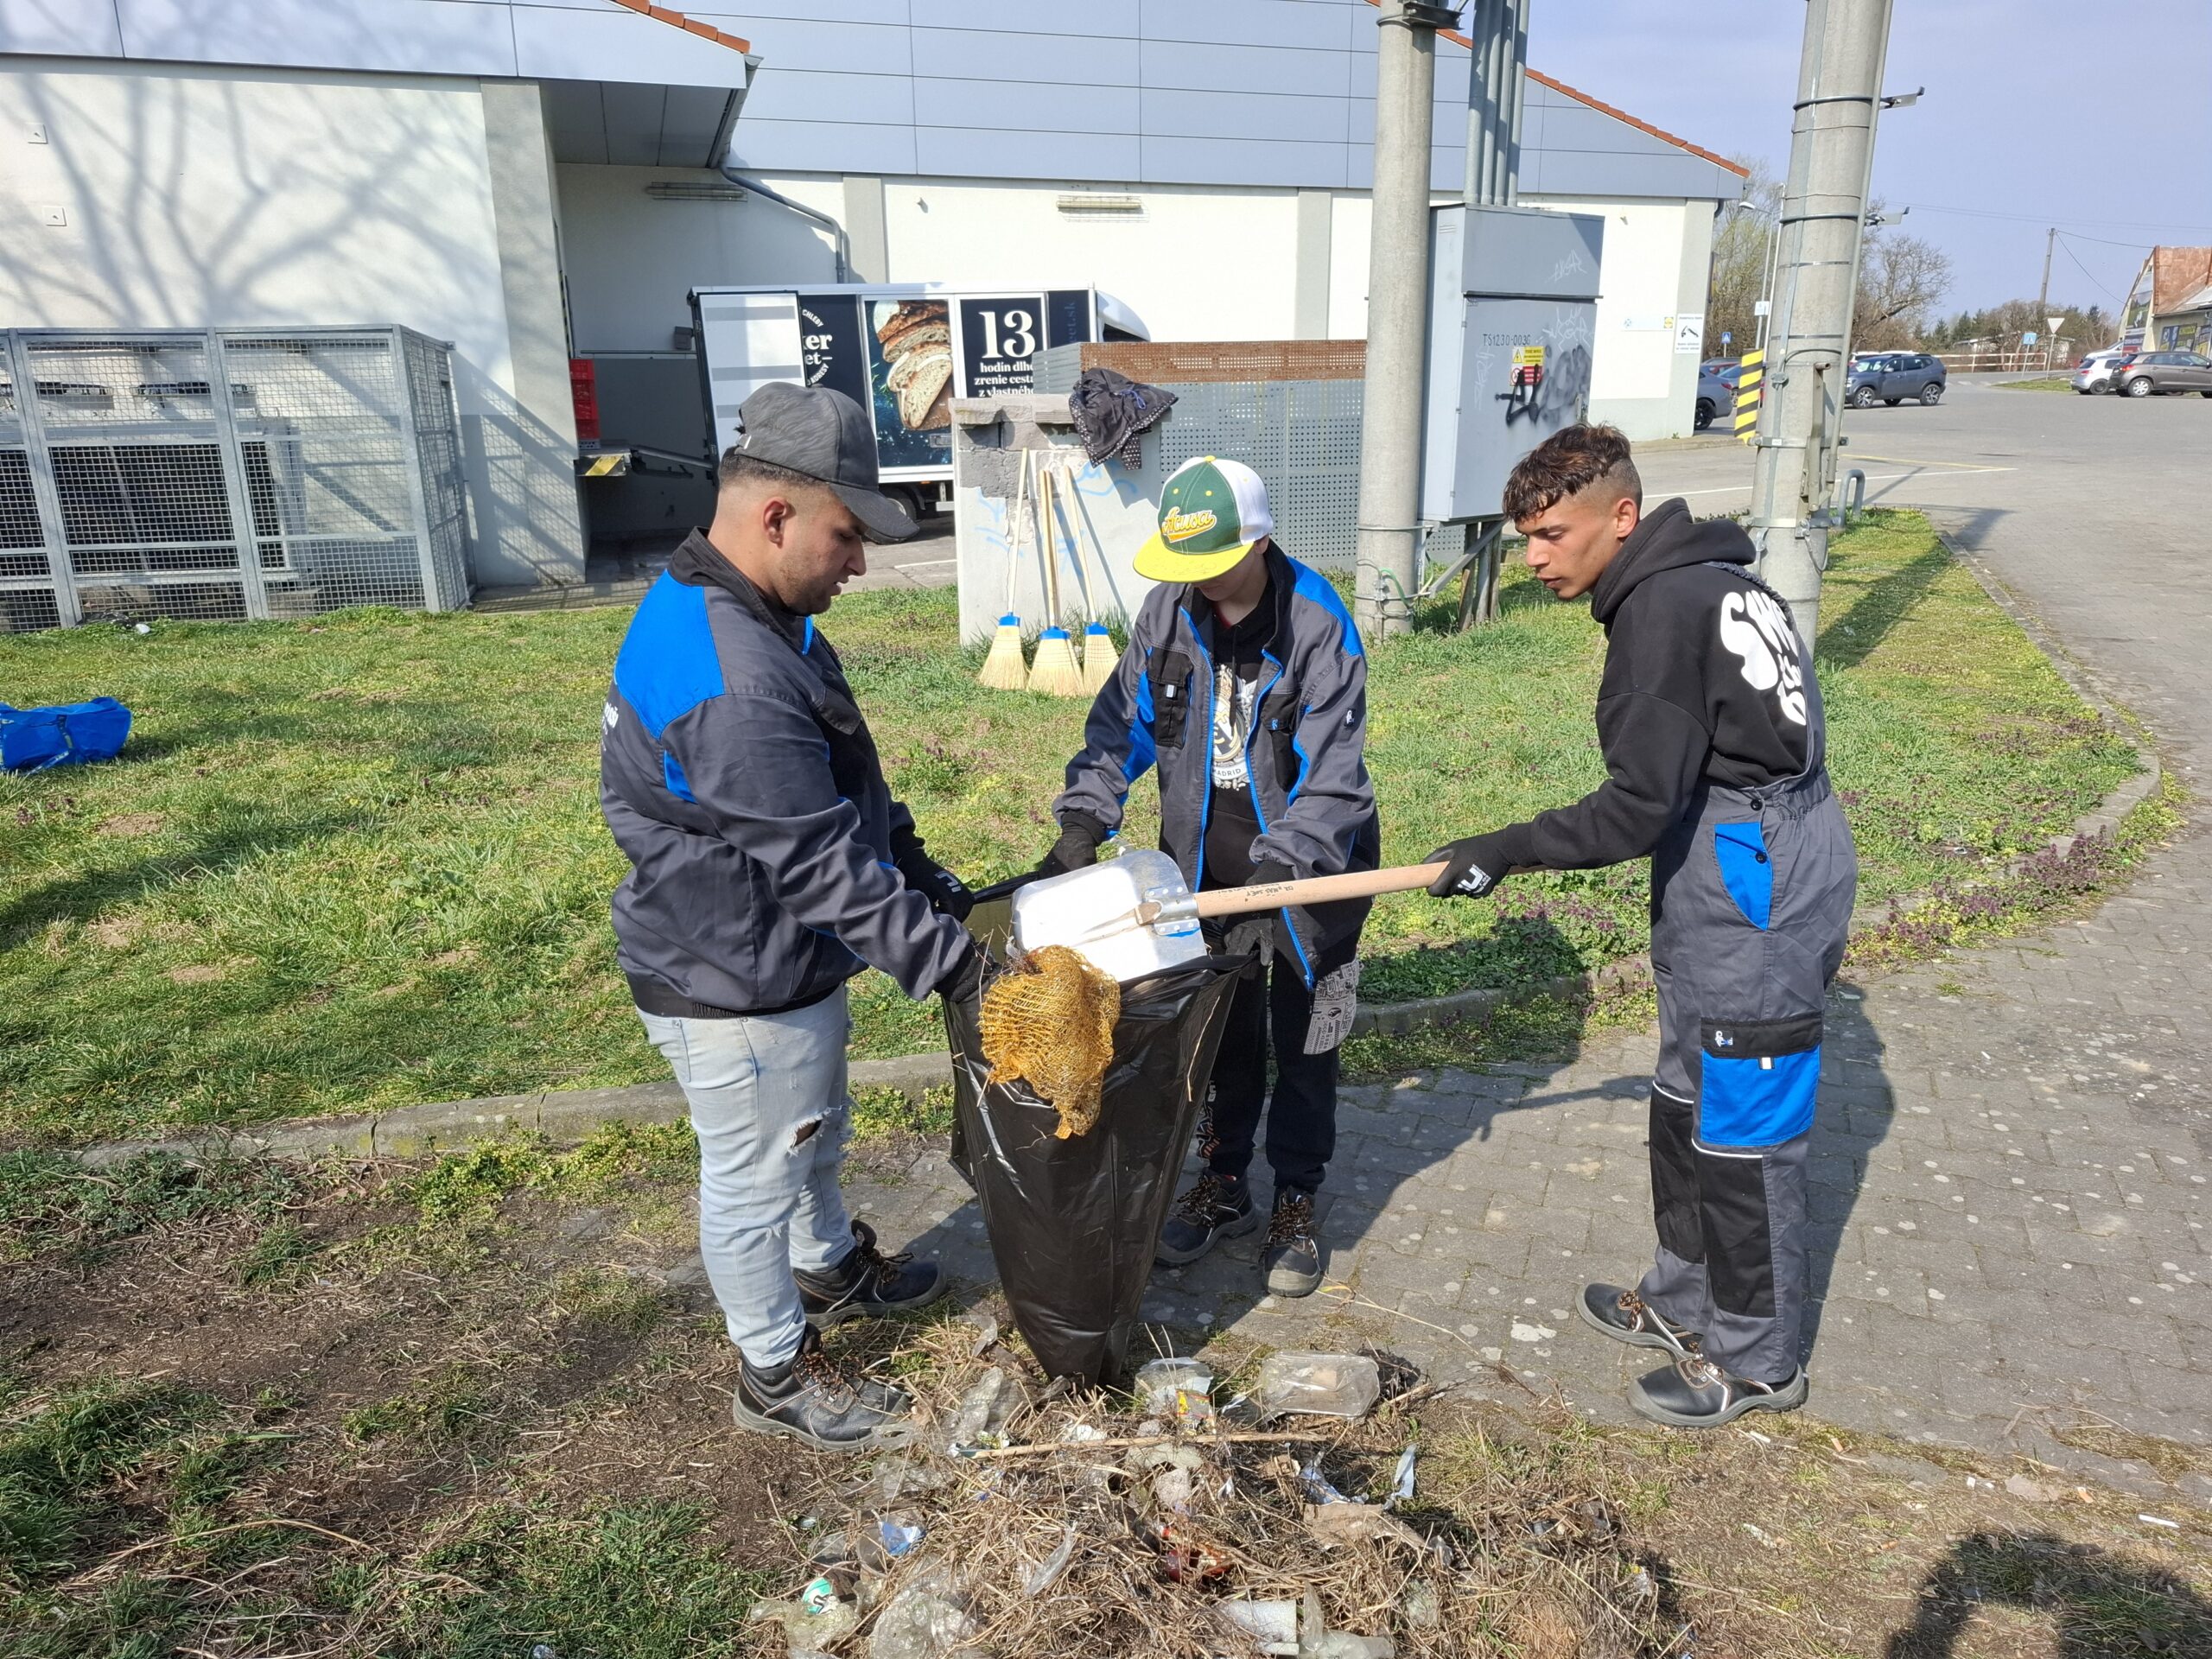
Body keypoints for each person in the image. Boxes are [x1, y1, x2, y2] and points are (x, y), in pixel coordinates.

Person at [1425, 424, 1857, 1427]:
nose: (1535, 559)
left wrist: (1504, 848)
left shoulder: (1662, 612)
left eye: (1552, 535)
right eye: (1525, 539)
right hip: (1739, 846)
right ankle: (1682, 1296)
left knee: (1744, 1128)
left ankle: (1755, 1360)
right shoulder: (1710, 578)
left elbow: (1632, 810)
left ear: (1621, 516)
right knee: (1684, 1094)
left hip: (1754, 868)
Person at [600, 383, 984, 1452]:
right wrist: (960, 969)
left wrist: (925, 878)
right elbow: (819, 864)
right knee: (756, 1174)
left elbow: (839, 784)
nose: (858, 563)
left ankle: (828, 1270)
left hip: (773, 948)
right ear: (776, 516)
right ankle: (773, 1369)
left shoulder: (757, 613)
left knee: (812, 1133)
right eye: (847, 535)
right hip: (730, 974)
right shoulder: (730, 673)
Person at [1039, 455, 1378, 1298]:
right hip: (1199, 872)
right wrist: (1083, 822)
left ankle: (1295, 1197)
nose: (1195, 580)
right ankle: (1224, 1182)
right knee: (1219, 1037)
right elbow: (1119, 728)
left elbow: (1335, 778)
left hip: (1310, 876)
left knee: (1306, 1039)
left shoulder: (1317, 624)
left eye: (1212, 562)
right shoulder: (1166, 612)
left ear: (1257, 542)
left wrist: (1280, 869)